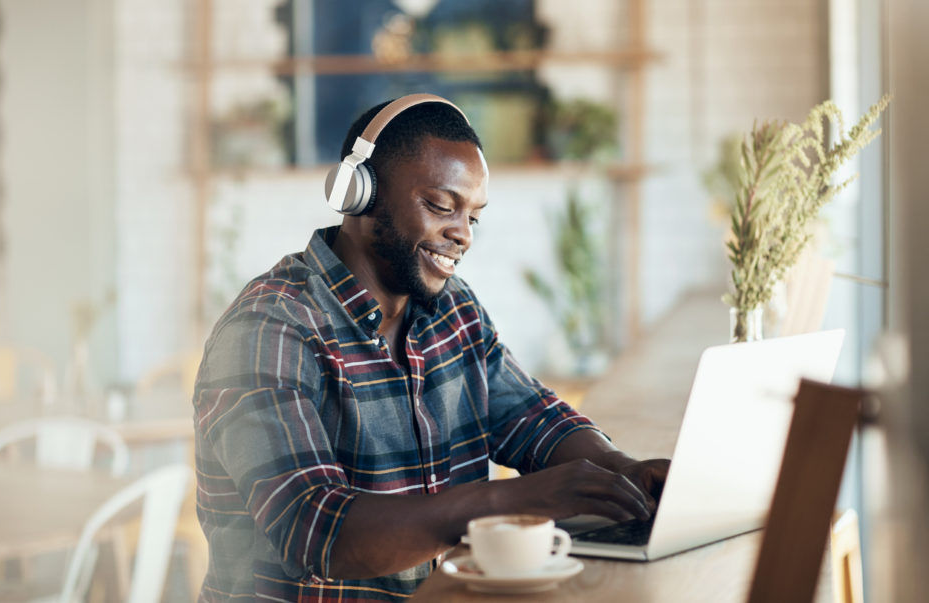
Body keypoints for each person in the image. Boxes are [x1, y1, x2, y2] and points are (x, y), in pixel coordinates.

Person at [193, 93, 669, 602]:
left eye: (473, 217)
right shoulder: (270, 329)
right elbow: (320, 533)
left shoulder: (453, 309)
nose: (462, 234)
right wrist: (517, 498)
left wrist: (623, 470)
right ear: (360, 194)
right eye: (442, 206)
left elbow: (532, 418)